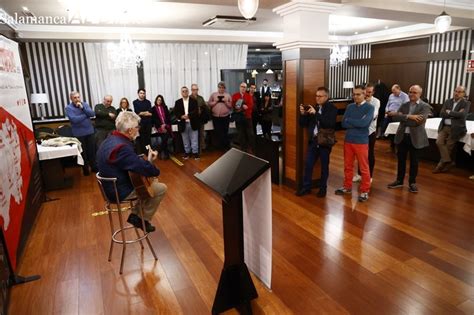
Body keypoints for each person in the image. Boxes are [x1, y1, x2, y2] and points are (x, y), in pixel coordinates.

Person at [96, 111, 167, 233]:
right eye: (137, 128)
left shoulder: (110, 139)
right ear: (129, 131)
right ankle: (140, 218)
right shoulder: (122, 147)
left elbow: (131, 162)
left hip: (111, 186)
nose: (138, 130)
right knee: (160, 187)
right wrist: (154, 169)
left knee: (151, 183)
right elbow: (144, 168)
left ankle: (136, 215)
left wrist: (147, 162)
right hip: (118, 191)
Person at [387, 85, 431, 193]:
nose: (411, 94)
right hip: (402, 136)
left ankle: (412, 182)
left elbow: (418, 122)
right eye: (410, 92)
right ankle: (399, 180)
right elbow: (394, 117)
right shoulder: (405, 104)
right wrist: (409, 116)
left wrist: (403, 117)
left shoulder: (425, 106)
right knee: (401, 160)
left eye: (414, 92)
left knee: (414, 162)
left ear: (420, 94)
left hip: (415, 137)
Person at [296, 87, 337, 198]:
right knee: (308, 164)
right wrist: (303, 114)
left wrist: (316, 114)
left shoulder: (332, 108)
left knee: (324, 166)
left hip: (325, 141)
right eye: (316, 96)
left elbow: (329, 124)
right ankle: (306, 187)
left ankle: (323, 188)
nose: (317, 98)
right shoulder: (313, 108)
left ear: (326, 97)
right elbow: (303, 124)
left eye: (320, 96)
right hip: (314, 141)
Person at [335, 85, 374, 202]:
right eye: (354, 94)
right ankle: (347, 187)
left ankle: (365, 190)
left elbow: (364, 124)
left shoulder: (369, 108)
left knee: (364, 168)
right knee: (347, 166)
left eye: (358, 94)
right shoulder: (350, 107)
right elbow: (343, 123)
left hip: (361, 141)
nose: (355, 96)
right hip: (348, 140)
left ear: (364, 94)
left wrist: (350, 121)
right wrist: (356, 122)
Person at [433, 85, 470, 173]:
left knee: (448, 146)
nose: (456, 93)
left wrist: (449, 112)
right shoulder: (448, 101)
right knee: (438, 142)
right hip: (444, 126)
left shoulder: (466, 103)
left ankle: (439, 166)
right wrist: (455, 114)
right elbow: (441, 114)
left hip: (456, 128)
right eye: (455, 91)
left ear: (464, 94)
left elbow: (462, 115)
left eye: (459, 92)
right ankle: (449, 161)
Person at [353, 83, 380, 182]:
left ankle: (370, 176)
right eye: (365, 92)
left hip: (370, 131)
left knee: (370, 154)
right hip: (359, 131)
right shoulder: (358, 101)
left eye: (369, 92)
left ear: (373, 92)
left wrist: (366, 105)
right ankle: (360, 174)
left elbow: (372, 116)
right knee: (360, 154)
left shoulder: (376, 102)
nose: (367, 94)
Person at [65, 91, 96, 176]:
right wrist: (86, 115)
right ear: (71, 99)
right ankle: (85, 170)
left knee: (92, 151)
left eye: (78, 97)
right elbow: (74, 120)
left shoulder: (84, 104)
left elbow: (92, 114)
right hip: (79, 133)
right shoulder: (68, 108)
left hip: (89, 131)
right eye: (75, 98)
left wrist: (83, 108)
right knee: (83, 153)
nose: (77, 99)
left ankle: (94, 168)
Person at [174, 86, 200, 160]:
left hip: (193, 123)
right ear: (181, 93)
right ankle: (187, 153)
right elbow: (176, 112)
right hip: (183, 123)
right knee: (185, 139)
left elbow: (196, 111)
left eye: (186, 91)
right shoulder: (178, 102)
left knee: (194, 139)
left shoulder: (194, 101)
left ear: (188, 92)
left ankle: (195, 153)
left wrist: (188, 116)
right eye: (183, 91)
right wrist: (181, 116)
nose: (185, 92)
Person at [231, 82, 255, 153]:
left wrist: (243, 107)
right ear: (239, 87)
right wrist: (242, 107)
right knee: (241, 134)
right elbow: (233, 105)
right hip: (239, 118)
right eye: (242, 86)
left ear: (246, 88)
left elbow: (250, 105)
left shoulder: (248, 96)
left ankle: (251, 148)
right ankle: (243, 148)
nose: (243, 88)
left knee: (250, 133)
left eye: (244, 87)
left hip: (247, 117)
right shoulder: (235, 95)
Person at [208, 81, 232, 150]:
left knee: (225, 131)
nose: (221, 89)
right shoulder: (213, 95)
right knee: (217, 131)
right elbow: (209, 104)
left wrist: (226, 102)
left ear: (224, 88)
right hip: (215, 117)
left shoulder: (228, 95)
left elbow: (231, 106)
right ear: (218, 88)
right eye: (220, 87)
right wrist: (215, 101)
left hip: (225, 117)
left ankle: (225, 146)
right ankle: (219, 146)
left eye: (222, 88)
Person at [150, 95, 172, 160]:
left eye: (160, 100)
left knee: (165, 138)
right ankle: (165, 152)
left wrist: (165, 124)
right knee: (164, 138)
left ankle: (160, 151)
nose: (159, 101)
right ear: (156, 100)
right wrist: (160, 125)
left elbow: (168, 117)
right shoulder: (153, 108)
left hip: (166, 125)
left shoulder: (165, 107)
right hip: (158, 127)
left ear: (162, 101)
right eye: (158, 100)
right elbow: (154, 119)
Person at [190, 84, 209, 152]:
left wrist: (202, 108)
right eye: (194, 90)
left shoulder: (200, 98)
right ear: (191, 90)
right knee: (193, 135)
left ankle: (201, 148)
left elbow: (205, 107)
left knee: (201, 134)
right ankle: (194, 149)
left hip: (201, 119)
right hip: (193, 120)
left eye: (197, 89)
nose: (195, 91)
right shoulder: (189, 98)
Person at [133, 88, 153, 154]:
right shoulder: (135, 102)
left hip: (148, 123)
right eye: (141, 93)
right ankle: (144, 151)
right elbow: (138, 112)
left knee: (148, 138)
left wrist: (142, 113)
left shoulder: (148, 102)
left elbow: (150, 113)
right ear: (138, 94)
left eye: (143, 93)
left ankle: (149, 151)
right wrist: (145, 113)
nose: (142, 94)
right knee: (142, 138)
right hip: (140, 123)